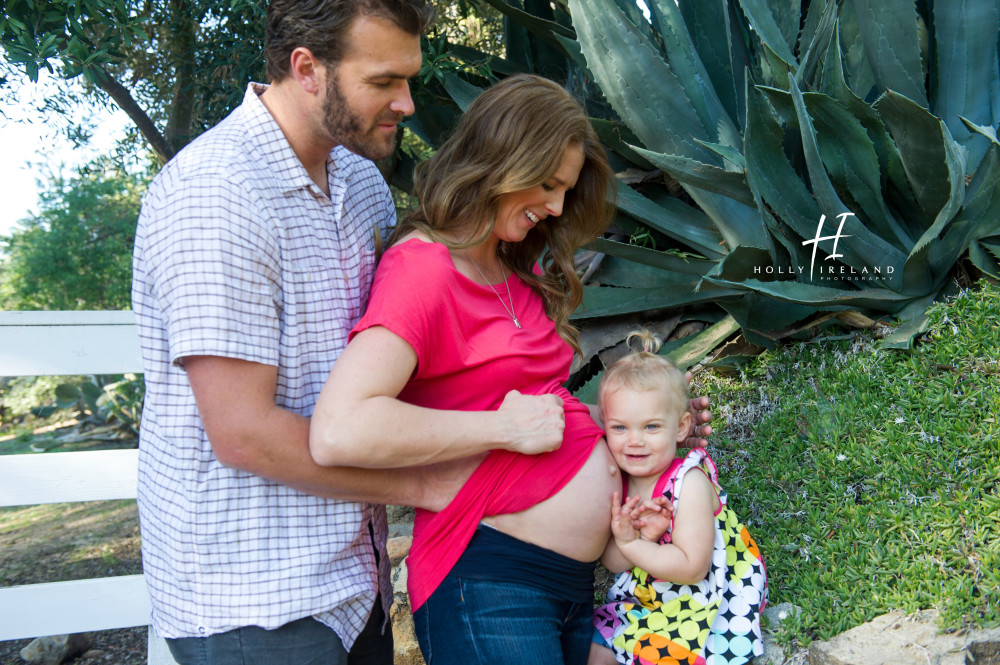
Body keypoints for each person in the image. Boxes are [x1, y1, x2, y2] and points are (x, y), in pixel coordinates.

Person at [309, 74, 712, 664]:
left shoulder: (510, 269)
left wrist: (637, 426)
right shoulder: (424, 271)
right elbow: (339, 429)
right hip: (489, 579)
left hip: (575, 588)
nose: (554, 207)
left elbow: (533, 405)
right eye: (547, 184)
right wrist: (504, 428)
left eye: (564, 191)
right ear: (499, 161)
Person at [129, 1, 467, 663]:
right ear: (306, 68)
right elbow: (244, 432)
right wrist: (432, 484)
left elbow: (394, 362)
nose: (405, 103)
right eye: (382, 82)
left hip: (355, 580)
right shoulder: (216, 192)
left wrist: (640, 431)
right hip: (253, 601)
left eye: (409, 80)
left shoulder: (362, 182)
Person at [590, 331, 767, 665]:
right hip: (646, 602)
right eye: (620, 428)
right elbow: (614, 561)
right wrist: (638, 538)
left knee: (670, 655)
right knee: (593, 652)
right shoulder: (621, 481)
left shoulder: (690, 483)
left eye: (652, 427)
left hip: (701, 601)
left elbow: (692, 568)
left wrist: (634, 546)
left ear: (682, 426)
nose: (635, 441)